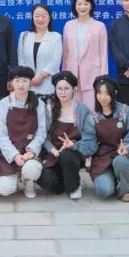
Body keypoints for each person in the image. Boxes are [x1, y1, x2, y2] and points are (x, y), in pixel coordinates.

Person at [38, 71, 97, 199]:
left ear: (74, 89)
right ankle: (68, 180)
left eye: (66, 88)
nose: (63, 92)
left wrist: (73, 145)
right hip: (54, 153)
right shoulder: (49, 108)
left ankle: (74, 187)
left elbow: (89, 138)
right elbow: (43, 135)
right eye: (59, 89)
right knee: (50, 183)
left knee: (67, 155)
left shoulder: (82, 110)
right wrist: (52, 149)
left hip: (73, 152)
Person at [0, 66, 47, 198]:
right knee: (4, 189)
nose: (21, 84)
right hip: (9, 154)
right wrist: (15, 155)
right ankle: (16, 178)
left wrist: (31, 151)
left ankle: (29, 181)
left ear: (30, 83)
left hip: (29, 152)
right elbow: (1, 135)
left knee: (32, 169)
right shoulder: (4, 104)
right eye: (17, 81)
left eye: (25, 81)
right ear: (11, 83)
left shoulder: (39, 104)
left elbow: (41, 132)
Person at [87, 75, 129, 201]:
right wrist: (76, 145)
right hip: (103, 159)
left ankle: (125, 189)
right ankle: (112, 180)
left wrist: (126, 147)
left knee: (121, 161)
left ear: (114, 92)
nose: (102, 97)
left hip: (125, 157)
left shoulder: (126, 112)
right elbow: (89, 142)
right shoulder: (93, 117)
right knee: (103, 191)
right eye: (99, 93)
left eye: (106, 93)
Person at [61, 0, 109, 109]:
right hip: (72, 73)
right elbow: (65, 52)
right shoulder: (68, 25)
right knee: (73, 109)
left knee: (91, 109)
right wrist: (64, 75)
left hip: (93, 73)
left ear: (91, 6)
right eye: (79, 4)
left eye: (86, 4)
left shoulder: (99, 26)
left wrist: (103, 77)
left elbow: (103, 53)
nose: (82, 7)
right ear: (74, 6)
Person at [18, 4, 64, 98]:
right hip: (28, 85)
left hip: (48, 85)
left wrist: (41, 76)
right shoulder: (24, 36)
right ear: (32, 17)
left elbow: (55, 61)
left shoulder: (56, 37)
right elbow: (21, 59)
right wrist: (29, 77)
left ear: (49, 18)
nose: (40, 19)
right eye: (37, 16)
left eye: (44, 16)